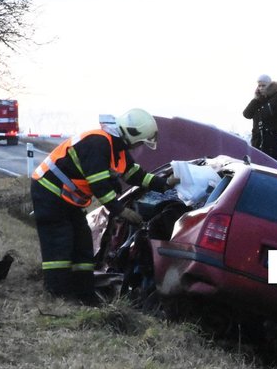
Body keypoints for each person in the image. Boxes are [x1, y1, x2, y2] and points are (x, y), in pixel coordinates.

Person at [30, 108, 179, 303]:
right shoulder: (99, 142)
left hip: (67, 200)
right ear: (132, 134)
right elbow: (98, 184)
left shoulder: (117, 149)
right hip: (49, 193)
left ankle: (84, 295)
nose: (139, 146)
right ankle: (56, 295)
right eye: (141, 141)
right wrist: (120, 210)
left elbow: (135, 175)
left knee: (83, 244)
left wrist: (164, 184)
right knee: (60, 242)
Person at [242, 73, 277, 162]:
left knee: (273, 166)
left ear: (270, 85)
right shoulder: (258, 100)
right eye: (259, 86)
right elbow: (246, 114)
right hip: (258, 142)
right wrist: (255, 99)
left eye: (263, 85)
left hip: (273, 142)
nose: (261, 88)